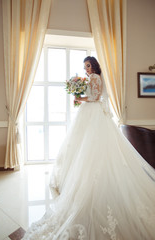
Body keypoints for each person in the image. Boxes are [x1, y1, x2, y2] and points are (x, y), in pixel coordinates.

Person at [22, 56, 155, 240]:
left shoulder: (94, 78)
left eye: (89, 66)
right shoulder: (96, 78)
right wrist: (81, 94)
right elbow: (97, 96)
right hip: (93, 113)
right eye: (85, 67)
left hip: (92, 112)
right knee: (86, 147)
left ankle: (84, 184)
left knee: (87, 147)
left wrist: (80, 97)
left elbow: (95, 97)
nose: (87, 70)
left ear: (94, 65)